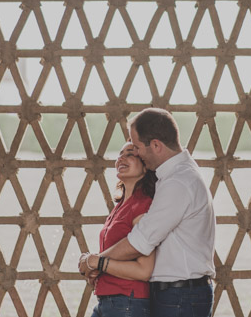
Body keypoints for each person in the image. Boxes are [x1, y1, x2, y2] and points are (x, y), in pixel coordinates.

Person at [80, 108, 216, 317]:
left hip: (180, 295)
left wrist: (96, 263)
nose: (138, 154)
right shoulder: (172, 177)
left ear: (155, 145)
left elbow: (141, 241)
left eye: (136, 148)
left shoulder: (178, 182)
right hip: (176, 293)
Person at [80, 142, 158, 317]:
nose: (121, 157)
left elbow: (144, 270)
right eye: (120, 154)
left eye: (130, 154)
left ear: (145, 166)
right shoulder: (121, 205)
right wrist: (94, 263)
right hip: (109, 301)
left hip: (128, 302)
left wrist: (97, 263)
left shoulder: (143, 206)